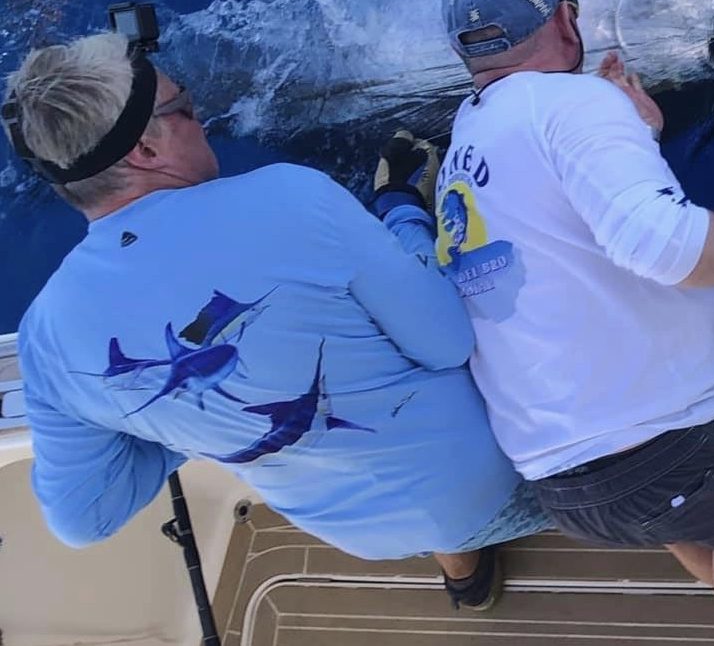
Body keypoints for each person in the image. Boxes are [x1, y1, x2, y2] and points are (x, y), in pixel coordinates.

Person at [1, 31, 551, 611]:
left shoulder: (45, 339)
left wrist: (189, 421)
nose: (203, 119)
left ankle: (465, 575)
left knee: (424, 498)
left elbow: (83, 519)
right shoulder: (291, 195)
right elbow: (449, 342)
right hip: (497, 483)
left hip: (364, 537)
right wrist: (401, 210)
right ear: (145, 150)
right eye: (184, 107)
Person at [434, 0, 714, 645]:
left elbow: (571, 240)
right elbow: (664, 247)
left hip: (570, 486)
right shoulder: (576, 103)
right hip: (685, 444)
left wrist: (640, 141)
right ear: (567, 20)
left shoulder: (467, 141)